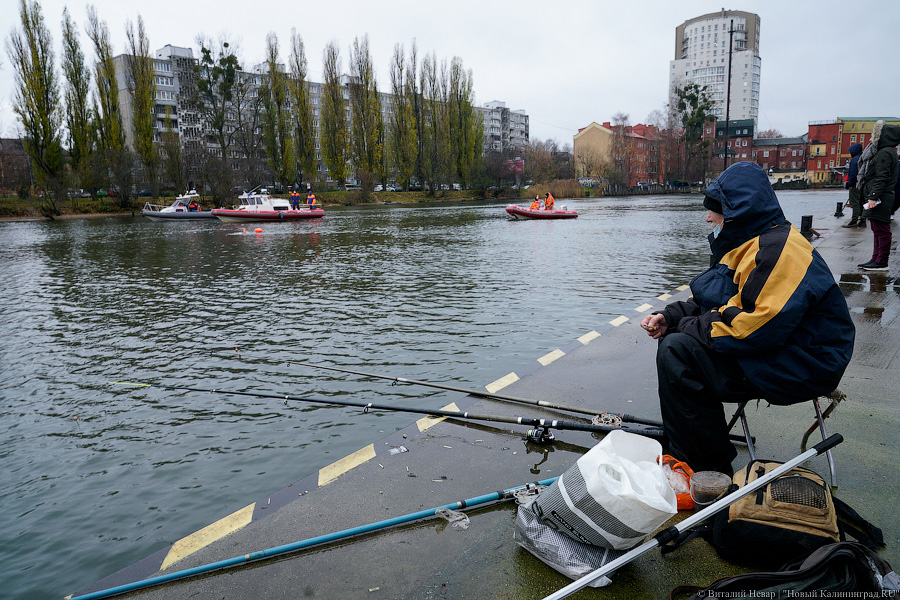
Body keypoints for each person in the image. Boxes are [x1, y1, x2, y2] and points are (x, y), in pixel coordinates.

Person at [640, 162, 855, 475]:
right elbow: (718, 301)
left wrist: (683, 327)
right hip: (783, 347)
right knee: (676, 342)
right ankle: (693, 449)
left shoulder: (780, 251)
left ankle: (707, 472)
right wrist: (670, 316)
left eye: (714, 209)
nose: (708, 218)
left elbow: (751, 329)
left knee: (678, 352)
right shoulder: (752, 244)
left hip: (806, 361)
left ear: (736, 212)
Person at [856, 121, 900, 271]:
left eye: (873, 135)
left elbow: (882, 177)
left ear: (882, 136)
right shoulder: (887, 151)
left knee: (881, 229)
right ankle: (876, 258)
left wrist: (873, 197)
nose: (870, 138)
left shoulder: (884, 153)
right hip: (881, 195)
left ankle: (881, 261)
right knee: (877, 228)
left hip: (882, 197)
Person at [841, 142, 864, 227]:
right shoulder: (862, 158)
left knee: (855, 203)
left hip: (855, 185)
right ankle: (862, 220)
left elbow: (853, 174)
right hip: (862, 184)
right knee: (861, 202)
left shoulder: (854, 160)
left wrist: (850, 184)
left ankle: (854, 221)